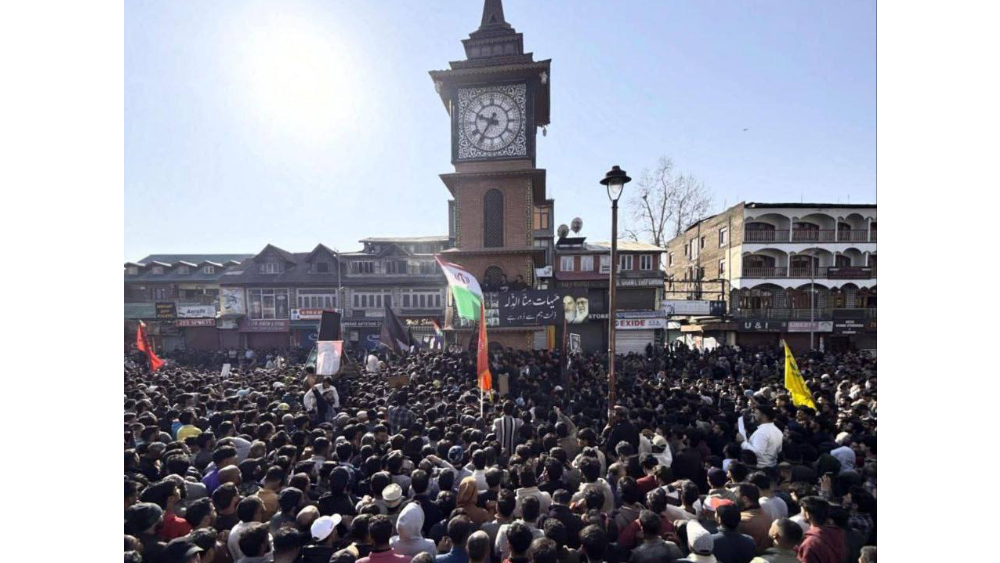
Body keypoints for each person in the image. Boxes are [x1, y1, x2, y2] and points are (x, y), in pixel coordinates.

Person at [796, 498, 846, 563]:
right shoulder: (839, 533)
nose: (800, 514)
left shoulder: (810, 543)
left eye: (801, 511)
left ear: (807, 514)